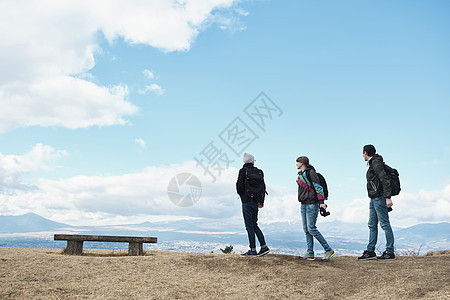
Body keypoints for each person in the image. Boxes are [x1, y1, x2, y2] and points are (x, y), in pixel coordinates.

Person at [358, 144, 396, 260]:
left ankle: (390, 252)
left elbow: (384, 179)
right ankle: (370, 251)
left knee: (384, 224)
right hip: (374, 198)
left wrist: (388, 197)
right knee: (372, 225)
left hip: (379, 198)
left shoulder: (376, 163)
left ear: (365, 152)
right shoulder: (373, 163)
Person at [296, 156, 335, 261]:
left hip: (312, 204)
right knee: (306, 230)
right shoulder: (301, 175)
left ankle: (328, 249)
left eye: (297, 162)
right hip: (303, 204)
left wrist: (321, 202)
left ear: (302, 163)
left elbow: (318, 187)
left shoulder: (311, 173)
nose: (296, 164)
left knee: (311, 228)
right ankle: (310, 252)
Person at [236, 153, 270, 257]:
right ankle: (264, 247)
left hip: (246, 201)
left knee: (249, 226)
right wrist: (261, 201)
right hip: (256, 201)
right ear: (252, 161)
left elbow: (239, 187)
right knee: (254, 224)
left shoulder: (243, 171)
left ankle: (252, 249)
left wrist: (243, 196)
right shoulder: (259, 172)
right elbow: (263, 187)